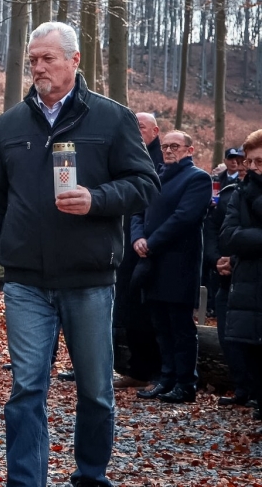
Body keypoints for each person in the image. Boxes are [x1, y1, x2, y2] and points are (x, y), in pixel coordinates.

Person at [0, 21, 159, 487]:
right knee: (26, 389)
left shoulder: (112, 118)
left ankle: (91, 476)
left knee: (95, 391)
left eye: (48, 59)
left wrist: (96, 198)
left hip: (89, 278)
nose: (38, 68)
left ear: (74, 61)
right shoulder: (10, 124)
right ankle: (26, 481)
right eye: (33, 60)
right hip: (25, 281)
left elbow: (145, 184)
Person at [130, 131, 211, 403]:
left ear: (190, 150)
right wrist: (137, 238)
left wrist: (151, 242)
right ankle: (166, 378)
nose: (168, 150)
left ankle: (185, 383)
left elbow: (184, 218)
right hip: (151, 264)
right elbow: (138, 210)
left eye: (175, 146)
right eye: (165, 146)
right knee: (160, 326)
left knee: (180, 327)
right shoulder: (155, 176)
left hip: (179, 265)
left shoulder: (197, 178)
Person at [110, 113, 164, 391]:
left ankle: (154, 370)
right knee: (128, 308)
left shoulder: (160, 160)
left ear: (155, 131)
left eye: (141, 127)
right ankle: (136, 369)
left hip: (149, 245)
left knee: (145, 310)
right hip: (128, 241)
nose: (137, 131)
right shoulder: (128, 153)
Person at [203, 144, 254, 407]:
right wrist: (216, 260)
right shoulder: (228, 192)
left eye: (248, 161)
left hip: (248, 275)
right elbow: (214, 228)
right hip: (224, 276)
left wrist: (233, 259)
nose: (243, 166)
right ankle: (241, 387)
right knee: (227, 336)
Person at [220, 131, 262, 426]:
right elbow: (228, 237)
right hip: (249, 288)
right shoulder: (239, 193)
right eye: (250, 161)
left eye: (259, 161)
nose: (253, 167)